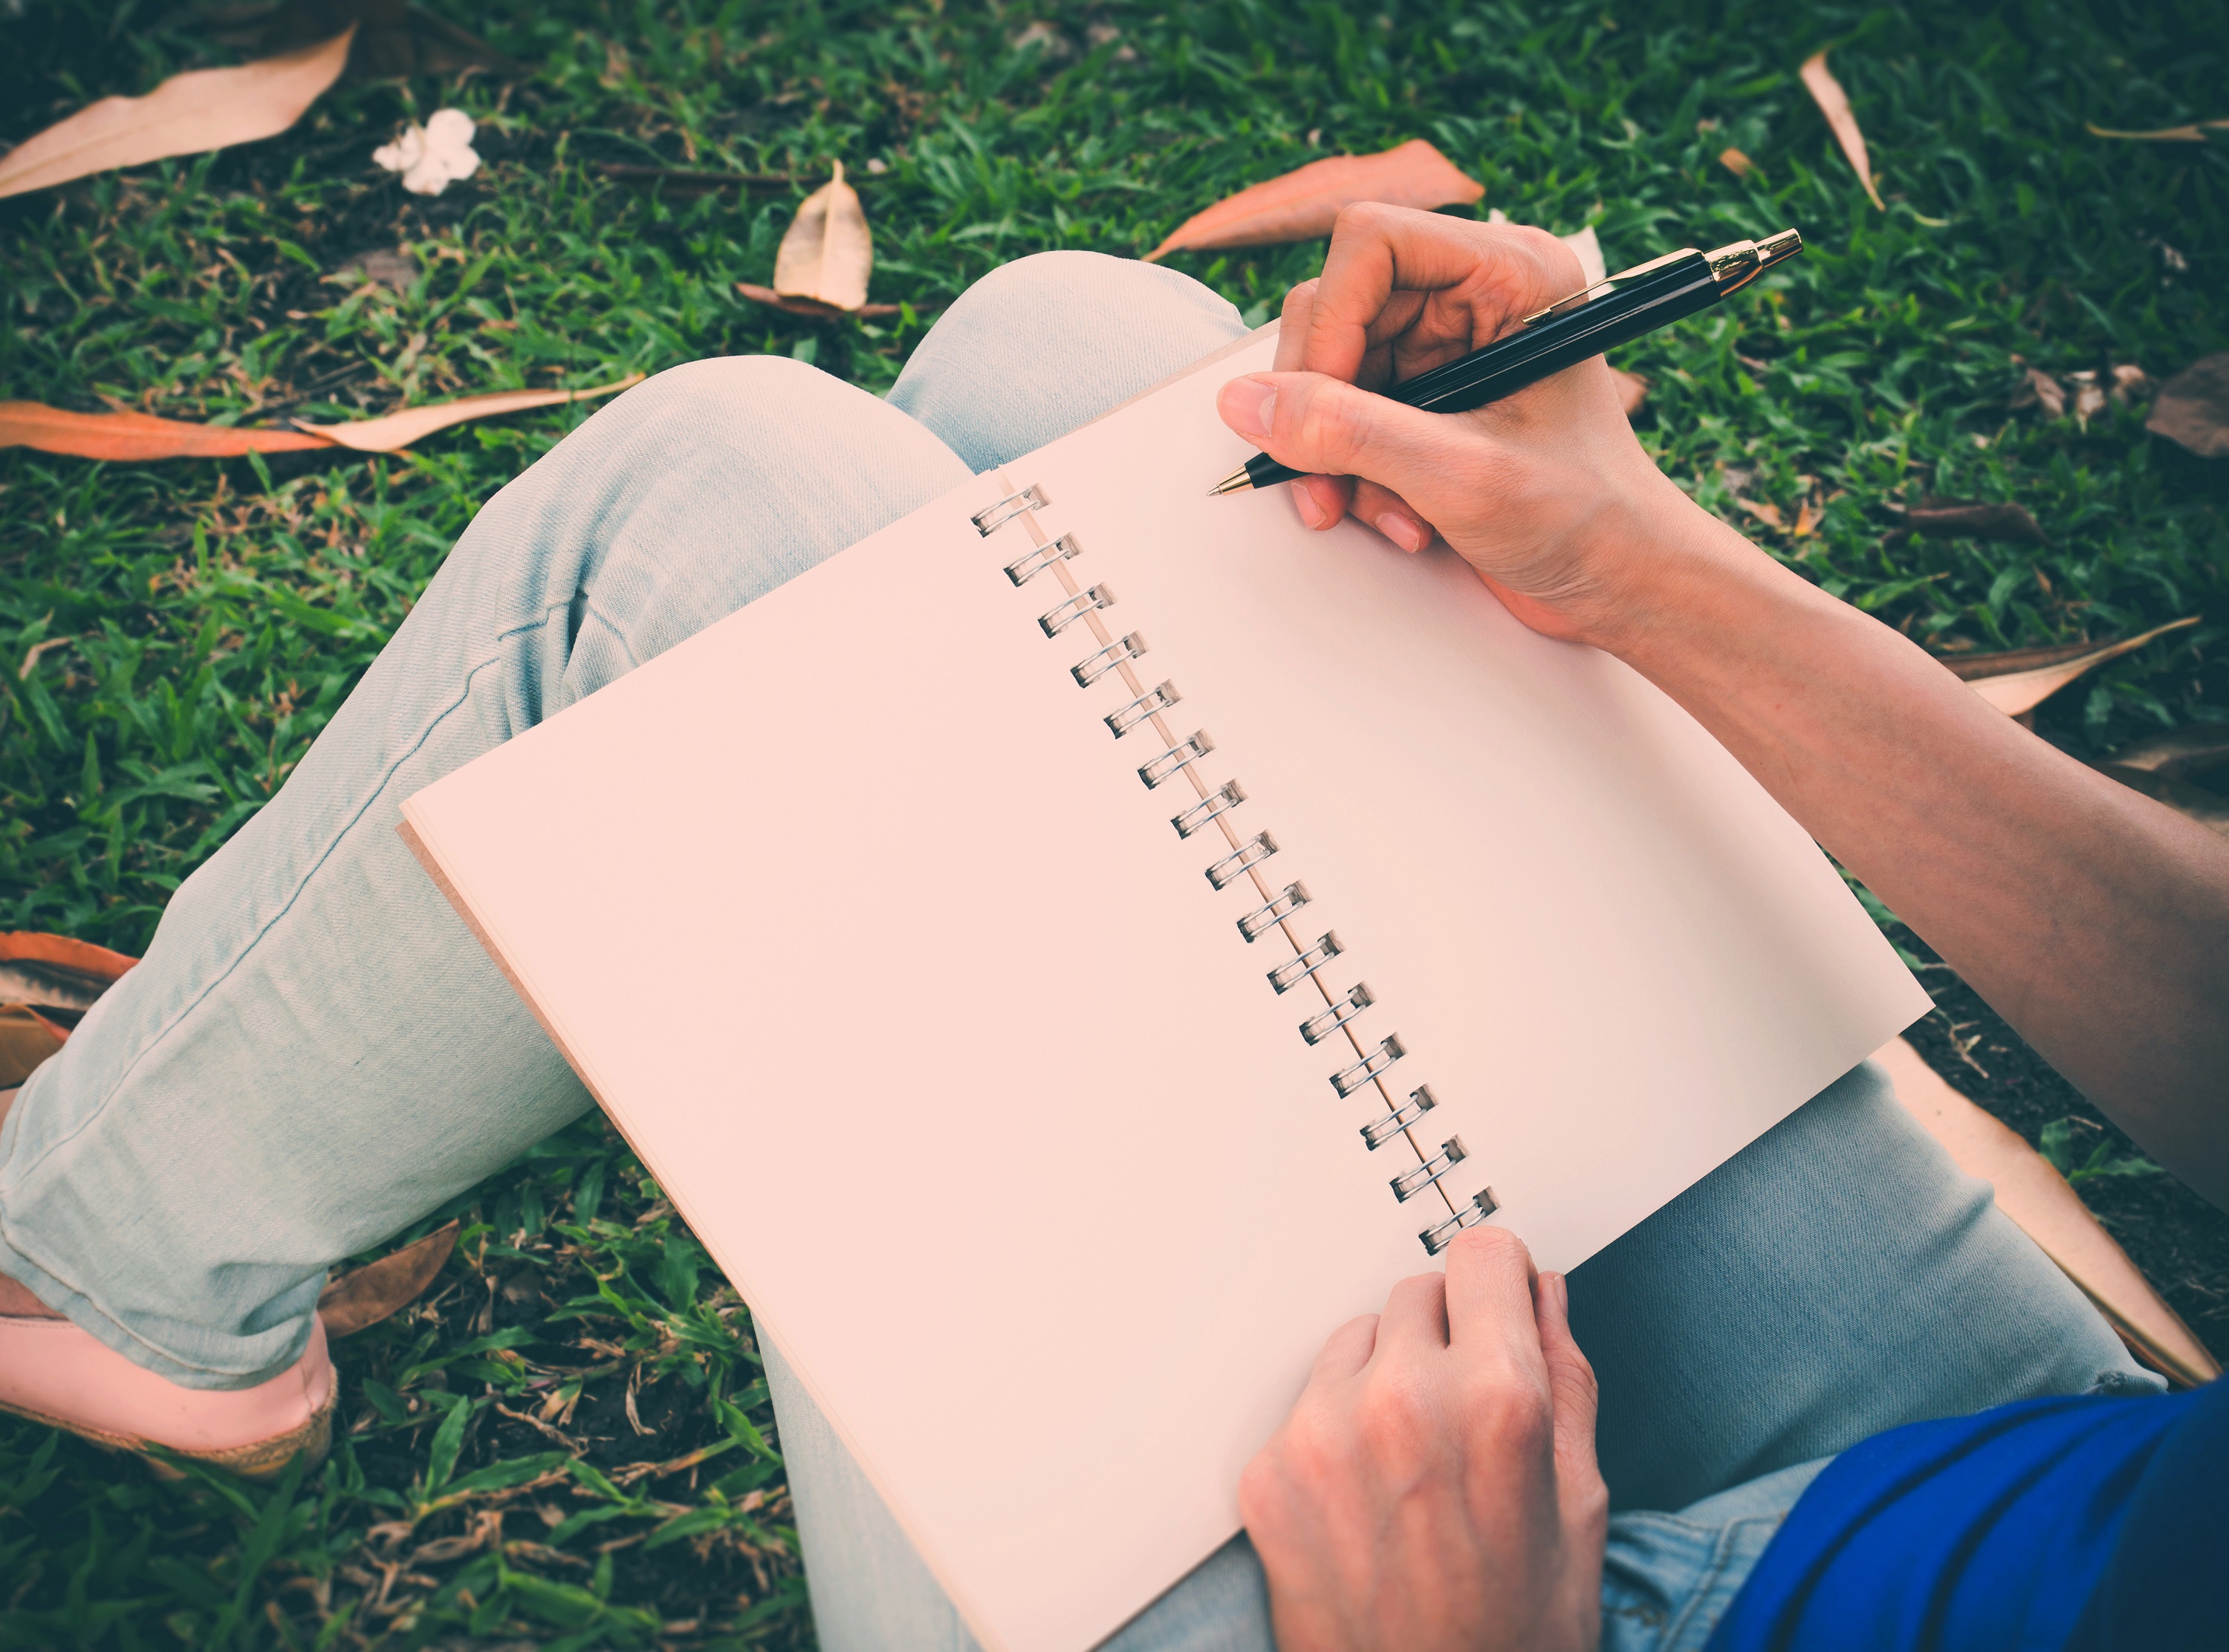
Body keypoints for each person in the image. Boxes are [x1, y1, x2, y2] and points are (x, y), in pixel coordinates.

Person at [0, 211, 2222, 1650]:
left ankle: (97, 1262)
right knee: (1092, 362)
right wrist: (1636, 555)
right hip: (2045, 1494)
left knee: (706, 539)